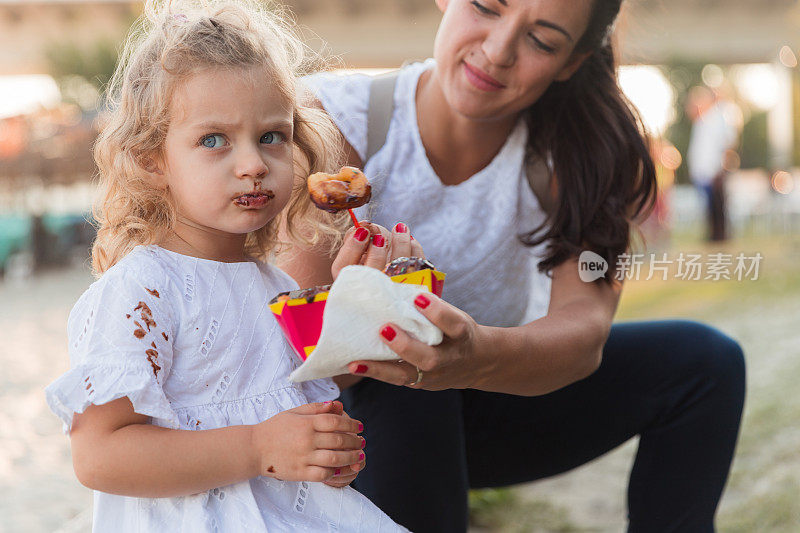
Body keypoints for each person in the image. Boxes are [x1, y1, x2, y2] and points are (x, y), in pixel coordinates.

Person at [286, 0, 746, 531]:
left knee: (707, 365)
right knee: (407, 360)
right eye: (486, 7)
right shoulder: (330, 122)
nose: (498, 50)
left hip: (486, 400)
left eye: (542, 40)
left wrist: (475, 355)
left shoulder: (584, 159)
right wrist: (357, 319)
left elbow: (585, 330)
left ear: (571, 61)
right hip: (336, 423)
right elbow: (314, 370)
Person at [44, 2, 409, 531]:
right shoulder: (143, 291)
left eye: (271, 136)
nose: (254, 164)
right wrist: (259, 446)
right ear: (153, 160)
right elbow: (100, 455)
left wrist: (356, 300)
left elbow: (302, 386)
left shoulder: (275, 281)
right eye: (213, 139)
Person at [686, 85, 738, 242]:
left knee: (717, 205)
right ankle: (714, 235)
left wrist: (720, 168)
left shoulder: (718, 118)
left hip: (714, 170)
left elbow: (726, 144)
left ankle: (720, 236)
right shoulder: (701, 123)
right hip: (703, 171)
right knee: (709, 206)